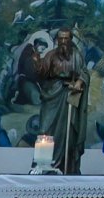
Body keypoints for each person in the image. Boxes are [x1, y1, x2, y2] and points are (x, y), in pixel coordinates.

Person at [34, 29, 90, 173]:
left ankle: (66, 168)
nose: (63, 42)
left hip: (69, 96)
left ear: (70, 40)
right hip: (52, 95)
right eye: (61, 39)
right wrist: (37, 62)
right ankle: (44, 166)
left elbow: (84, 72)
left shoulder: (76, 56)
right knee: (45, 129)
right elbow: (42, 72)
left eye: (66, 39)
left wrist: (80, 81)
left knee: (68, 133)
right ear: (57, 40)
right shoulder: (51, 55)